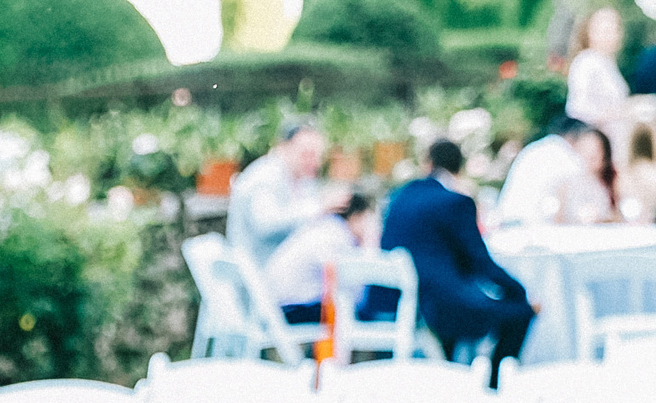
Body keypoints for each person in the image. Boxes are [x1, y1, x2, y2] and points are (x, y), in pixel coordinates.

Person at [380, 139, 535, 383]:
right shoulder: (455, 202)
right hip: (437, 304)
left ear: (428, 164)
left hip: (395, 301)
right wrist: (522, 291)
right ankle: (494, 384)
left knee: (470, 299)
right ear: (459, 168)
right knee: (520, 312)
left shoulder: (399, 196)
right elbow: (480, 263)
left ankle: (460, 375)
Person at [226, 118, 328, 269]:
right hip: (257, 274)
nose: (315, 162)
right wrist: (318, 207)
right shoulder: (265, 176)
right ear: (283, 148)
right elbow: (267, 225)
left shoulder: (301, 179)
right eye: (307, 154)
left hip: (281, 270)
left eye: (317, 155)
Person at [262, 191, 376, 324]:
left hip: (275, 309)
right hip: (291, 311)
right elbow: (355, 295)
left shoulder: (322, 228)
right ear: (357, 216)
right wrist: (369, 245)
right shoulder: (338, 237)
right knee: (360, 316)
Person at [496, 115, 589, 226]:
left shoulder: (533, 148)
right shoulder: (565, 153)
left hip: (507, 221)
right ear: (574, 137)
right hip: (532, 227)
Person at [566, 7, 632, 132]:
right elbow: (579, 110)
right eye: (605, 30)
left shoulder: (607, 63)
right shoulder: (586, 61)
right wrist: (621, 114)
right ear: (589, 32)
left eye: (614, 30)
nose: (611, 35)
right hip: (595, 141)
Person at [562, 125, 620, 222]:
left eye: (596, 150)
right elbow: (558, 223)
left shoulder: (614, 184)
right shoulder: (566, 186)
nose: (590, 155)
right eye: (586, 149)